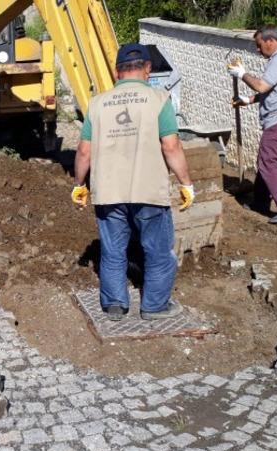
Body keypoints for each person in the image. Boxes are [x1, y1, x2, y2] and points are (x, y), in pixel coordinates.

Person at [72, 43, 194, 321]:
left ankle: (115, 305)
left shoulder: (97, 103)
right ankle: (154, 306)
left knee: (113, 250)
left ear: (117, 72)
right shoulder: (160, 100)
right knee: (158, 251)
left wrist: (80, 184)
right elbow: (171, 146)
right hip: (148, 191)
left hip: (108, 192)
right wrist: (186, 183)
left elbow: (84, 151)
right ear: (148, 69)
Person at [229, 24, 277, 224]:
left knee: (268, 162)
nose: (257, 49)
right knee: (265, 160)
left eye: (259, 44)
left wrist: (241, 74)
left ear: (271, 41)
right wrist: (249, 100)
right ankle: (260, 202)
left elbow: (262, 85)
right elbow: (273, 90)